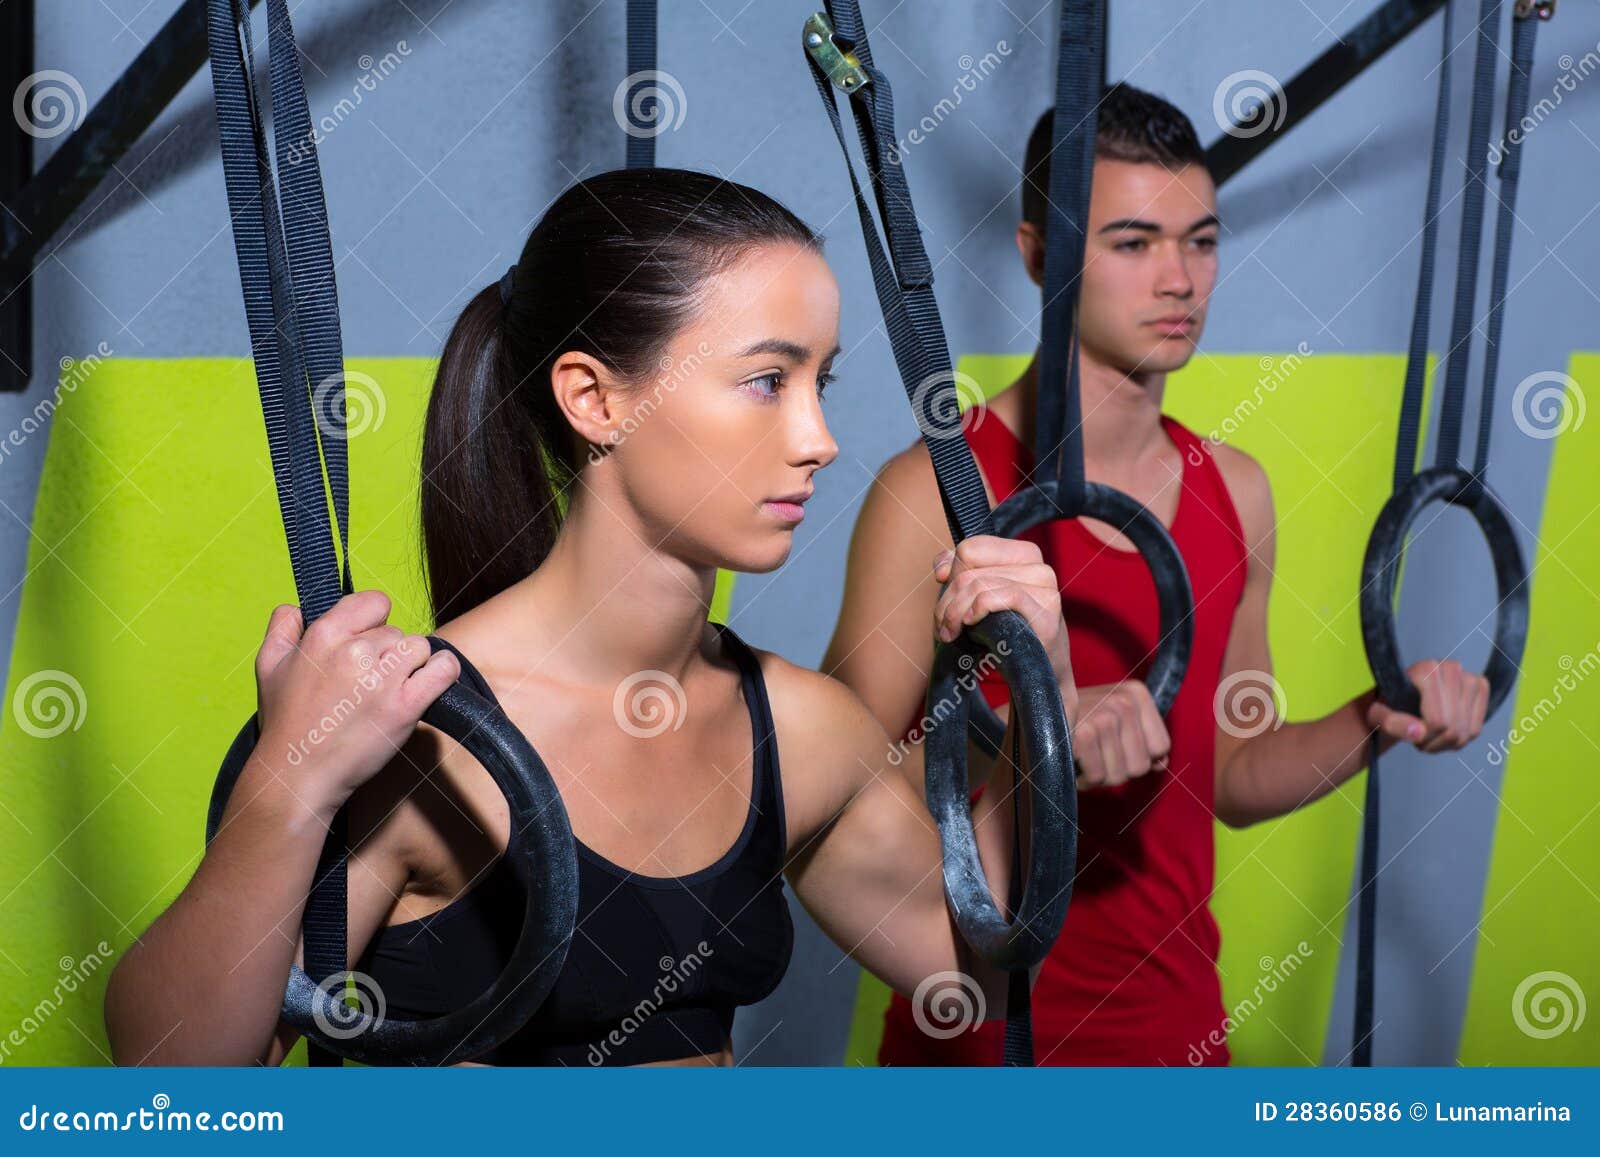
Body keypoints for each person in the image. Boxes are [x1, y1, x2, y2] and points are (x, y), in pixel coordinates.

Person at [102, 168, 1081, 1067]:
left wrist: (1047, 689)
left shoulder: (802, 726)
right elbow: (173, 1076)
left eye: (818, 383)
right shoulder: (413, 731)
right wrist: (288, 783)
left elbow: (980, 970)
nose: (819, 439)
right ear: (594, 398)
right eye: (764, 381)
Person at [824, 84, 1491, 1067]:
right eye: (1132, 243)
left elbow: (1229, 765)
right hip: (979, 1044)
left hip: (1179, 1039)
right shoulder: (935, 486)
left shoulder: (1235, 490)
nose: (1178, 278)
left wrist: (1376, 715)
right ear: (1038, 254)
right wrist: (1037, 737)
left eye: (1201, 241)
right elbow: (827, 782)